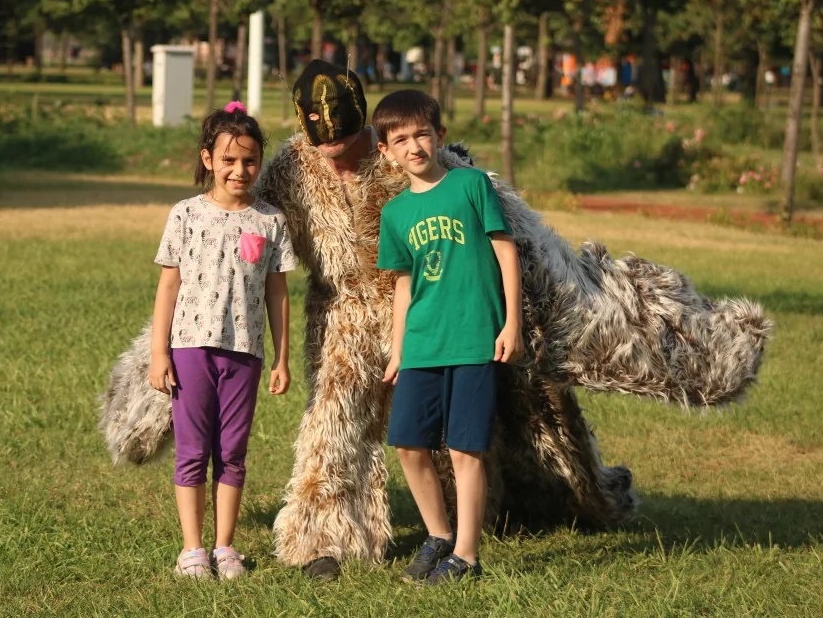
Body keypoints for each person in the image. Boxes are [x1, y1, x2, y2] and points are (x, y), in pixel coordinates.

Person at [102, 59, 769, 584]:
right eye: (323, 142)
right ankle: (324, 543)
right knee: (333, 427)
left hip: (427, 313)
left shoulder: (416, 159)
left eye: (351, 140)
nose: (337, 152)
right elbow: (216, 258)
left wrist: (633, 332)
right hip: (339, 317)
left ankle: (460, 530)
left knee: (456, 436)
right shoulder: (286, 172)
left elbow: (527, 246)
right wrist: (156, 374)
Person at [375, 90, 523, 583]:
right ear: (386, 151)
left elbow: (505, 252)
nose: (413, 146)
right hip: (421, 343)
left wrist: (512, 322)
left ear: (439, 136)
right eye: (401, 140)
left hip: (475, 338)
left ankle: (467, 555)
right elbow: (402, 284)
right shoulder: (395, 214)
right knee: (409, 445)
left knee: (465, 449)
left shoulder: (470, 185)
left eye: (421, 134)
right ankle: (438, 535)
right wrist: (398, 350)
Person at [146, 101, 297, 580]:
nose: (240, 170)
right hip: (190, 349)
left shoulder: (269, 220)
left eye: (249, 160)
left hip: (245, 354)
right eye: (229, 160)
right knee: (193, 450)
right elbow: (168, 285)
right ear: (208, 158)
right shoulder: (185, 215)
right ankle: (192, 549)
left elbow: (277, 291)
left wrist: (281, 358)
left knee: (232, 452)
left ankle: (224, 547)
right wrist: (158, 353)